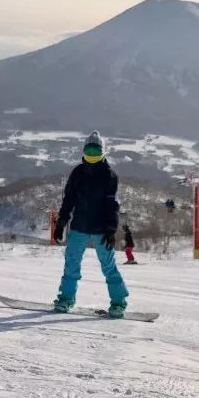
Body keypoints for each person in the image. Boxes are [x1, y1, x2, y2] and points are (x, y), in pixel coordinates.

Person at [53, 131, 129, 318]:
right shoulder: (78, 173)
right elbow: (68, 199)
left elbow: (113, 205)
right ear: (84, 151)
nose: (92, 155)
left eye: (96, 151)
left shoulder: (109, 175)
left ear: (103, 152)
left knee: (108, 266)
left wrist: (111, 229)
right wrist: (61, 223)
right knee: (71, 264)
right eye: (90, 151)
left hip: (101, 230)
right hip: (79, 227)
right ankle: (66, 299)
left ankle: (119, 303)